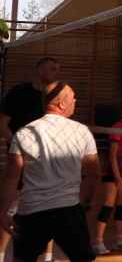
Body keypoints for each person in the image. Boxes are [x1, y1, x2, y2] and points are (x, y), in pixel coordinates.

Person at [0, 82, 99, 262]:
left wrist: (3, 211)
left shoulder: (23, 133)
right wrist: (85, 203)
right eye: (73, 97)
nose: (75, 101)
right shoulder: (82, 131)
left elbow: (11, 177)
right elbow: (93, 174)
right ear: (61, 103)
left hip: (32, 211)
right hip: (68, 210)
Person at [0, 57, 61, 262]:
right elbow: (2, 124)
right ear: (39, 69)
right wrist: (18, 146)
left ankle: (48, 257)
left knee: (49, 207)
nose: (55, 72)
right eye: (52, 68)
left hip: (46, 160)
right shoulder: (19, 92)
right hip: (21, 160)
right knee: (12, 208)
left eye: (57, 69)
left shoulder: (56, 97)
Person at [93, 99, 122, 255]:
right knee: (108, 204)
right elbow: (112, 157)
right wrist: (118, 178)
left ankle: (119, 240)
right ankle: (98, 242)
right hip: (112, 172)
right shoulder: (116, 128)